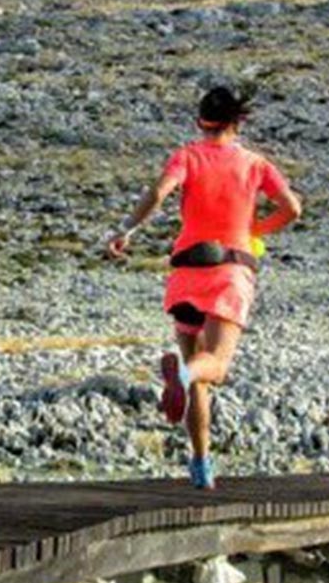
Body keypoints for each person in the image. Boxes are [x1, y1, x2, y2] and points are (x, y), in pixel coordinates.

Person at [105, 85, 302, 489]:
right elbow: (292, 208)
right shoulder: (255, 163)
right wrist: (254, 230)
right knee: (214, 365)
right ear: (237, 122)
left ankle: (201, 466)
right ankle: (180, 372)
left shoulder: (187, 157)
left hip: (185, 273)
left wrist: (126, 230)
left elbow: (159, 192)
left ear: (200, 121)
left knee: (197, 379)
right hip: (229, 271)